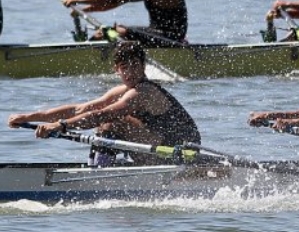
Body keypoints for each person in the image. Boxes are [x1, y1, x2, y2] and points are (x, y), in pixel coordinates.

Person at [8, 41, 201, 165]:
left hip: (179, 154)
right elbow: (79, 109)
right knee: (104, 117)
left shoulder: (144, 92)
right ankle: (100, 166)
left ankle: (100, 171)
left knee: (112, 120)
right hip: (157, 147)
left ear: (143, 66)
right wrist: (28, 117)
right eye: (125, 67)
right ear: (117, 69)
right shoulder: (123, 90)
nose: (130, 72)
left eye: (135, 66)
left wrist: (60, 126)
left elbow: (103, 114)